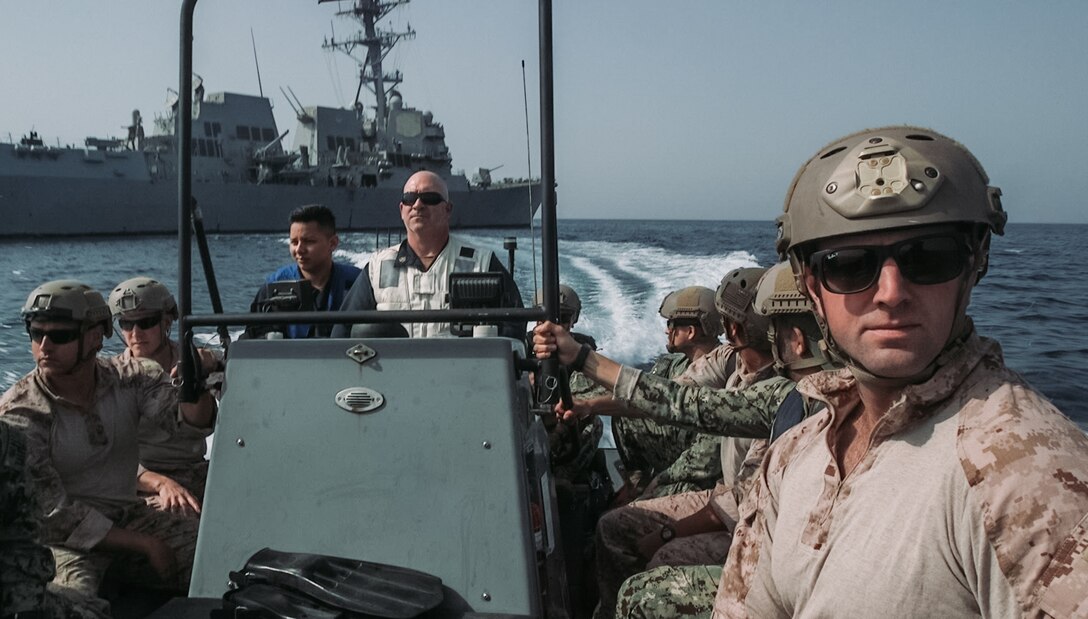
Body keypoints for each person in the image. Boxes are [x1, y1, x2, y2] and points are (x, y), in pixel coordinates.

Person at [718, 126, 1088, 617]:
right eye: (849, 265)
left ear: (974, 263)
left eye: (929, 258)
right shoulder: (793, 454)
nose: (891, 292)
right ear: (812, 287)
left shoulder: (1023, 473)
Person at [613, 261, 837, 619]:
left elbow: (739, 498)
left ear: (794, 338)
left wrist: (669, 532)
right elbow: (680, 398)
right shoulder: (774, 387)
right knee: (623, 528)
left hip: (763, 547)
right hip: (752, 528)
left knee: (647, 588)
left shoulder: (785, 400)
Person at [0, 280, 217, 606]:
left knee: (221, 558)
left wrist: (195, 384)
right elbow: (53, 515)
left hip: (127, 517)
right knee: (73, 604)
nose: (44, 346)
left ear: (95, 336)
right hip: (62, 543)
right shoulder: (21, 412)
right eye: (36, 334)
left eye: (59, 336)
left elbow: (188, 423)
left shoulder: (130, 377)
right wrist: (145, 544)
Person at [578, 270, 780, 619]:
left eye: (673, 324)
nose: (667, 331)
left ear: (733, 329)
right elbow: (669, 397)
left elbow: (734, 500)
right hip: (725, 496)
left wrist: (668, 530)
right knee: (614, 525)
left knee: (659, 565)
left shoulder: (772, 396)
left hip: (745, 520)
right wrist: (591, 404)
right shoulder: (734, 367)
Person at [331, 171, 523, 339]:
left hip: (461, 376)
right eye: (409, 198)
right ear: (401, 210)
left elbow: (514, 326)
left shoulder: (481, 263)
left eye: (430, 198)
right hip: (392, 375)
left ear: (448, 210)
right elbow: (344, 330)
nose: (418, 205)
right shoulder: (377, 267)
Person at [108, 276, 220, 516]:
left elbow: (202, 423)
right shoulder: (111, 377)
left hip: (198, 471)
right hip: (142, 480)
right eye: (126, 324)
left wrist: (197, 374)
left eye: (146, 322)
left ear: (166, 321)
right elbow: (106, 454)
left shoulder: (195, 362)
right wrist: (159, 483)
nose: (135, 333)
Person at [250, 204, 361, 338]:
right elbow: (253, 335)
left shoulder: (357, 284)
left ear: (332, 243)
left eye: (309, 241)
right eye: (294, 242)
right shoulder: (275, 284)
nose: (299, 250)